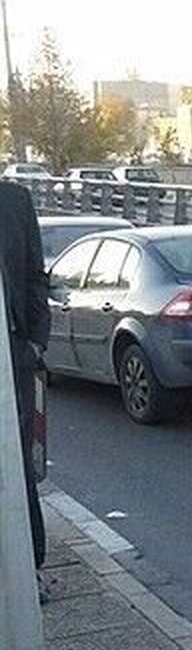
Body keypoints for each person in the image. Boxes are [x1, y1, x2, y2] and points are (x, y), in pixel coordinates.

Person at [0, 181, 50, 602]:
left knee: (15, 461)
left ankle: (29, 568)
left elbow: (36, 274)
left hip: (12, 351)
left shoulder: (15, 200)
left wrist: (35, 340)